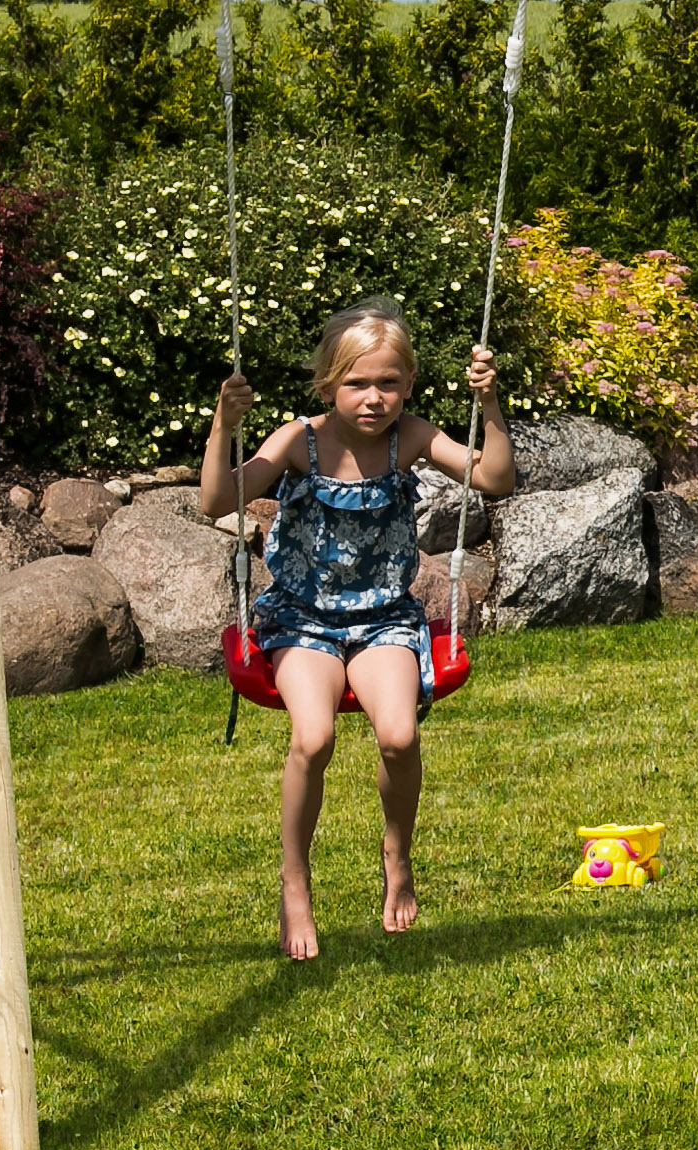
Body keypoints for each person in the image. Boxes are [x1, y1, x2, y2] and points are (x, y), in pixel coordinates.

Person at [203, 301, 518, 959]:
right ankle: (295, 882)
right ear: (328, 386)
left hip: (382, 621)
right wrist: (222, 426)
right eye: (357, 384)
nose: (373, 399)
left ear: (408, 383)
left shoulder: (411, 437)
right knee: (313, 738)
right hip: (302, 619)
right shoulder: (299, 441)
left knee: (400, 736)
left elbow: (496, 478)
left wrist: (490, 407)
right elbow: (217, 501)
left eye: (388, 383)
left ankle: (396, 852)